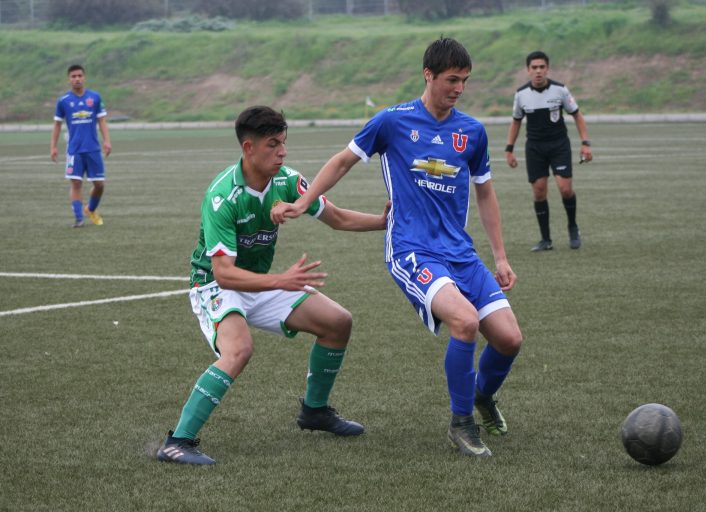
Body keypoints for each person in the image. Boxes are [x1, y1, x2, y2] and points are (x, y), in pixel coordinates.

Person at [271, 38, 523, 458]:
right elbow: (341, 161)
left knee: (509, 340)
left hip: (460, 251)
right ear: (428, 75)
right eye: (451, 80)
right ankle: (461, 424)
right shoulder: (392, 121)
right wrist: (304, 200)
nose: (459, 88)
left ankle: (480, 397)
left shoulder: (471, 132)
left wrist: (499, 255)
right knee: (463, 322)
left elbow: (485, 194)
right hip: (411, 249)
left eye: (464, 81)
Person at [156, 106, 389, 465]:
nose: (283, 152)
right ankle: (177, 441)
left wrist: (383, 222)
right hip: (215, 287)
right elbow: (223, 274)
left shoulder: (288, 181)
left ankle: (314, 412)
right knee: (238, 350)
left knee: (338, 322)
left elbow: (337, 217)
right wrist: (281, 280)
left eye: (284, 143)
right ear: (248, 148)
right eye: (273, 145)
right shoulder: (223, 197)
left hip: (261, 284)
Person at [505, 51, 592, 252]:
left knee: (565, 189)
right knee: (539, 191)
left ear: (547, 69)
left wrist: (585, 142)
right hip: (535, 147)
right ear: (528, 70)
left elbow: (577, 115)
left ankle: (572, 227)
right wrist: (509, 149)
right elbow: (516, 122)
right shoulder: (521, 94)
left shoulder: (560, 90)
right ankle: (546, 239)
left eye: (541, 67)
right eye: (534, 67)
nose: (538, 71)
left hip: (559, 145)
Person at [50, 64, 111, 228]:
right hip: (74, 150)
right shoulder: (63, 101)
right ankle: (79, 219)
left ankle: (90, 209)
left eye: (79, 76)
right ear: (69, 79)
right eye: (73, 76)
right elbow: (57, 125)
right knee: (76, 183)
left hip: (93, 148)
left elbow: (102, 120)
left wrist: (107, 140)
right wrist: (53, 147)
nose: (76, 79)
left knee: (99, 185)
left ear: (84, 77)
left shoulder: (95, 97)